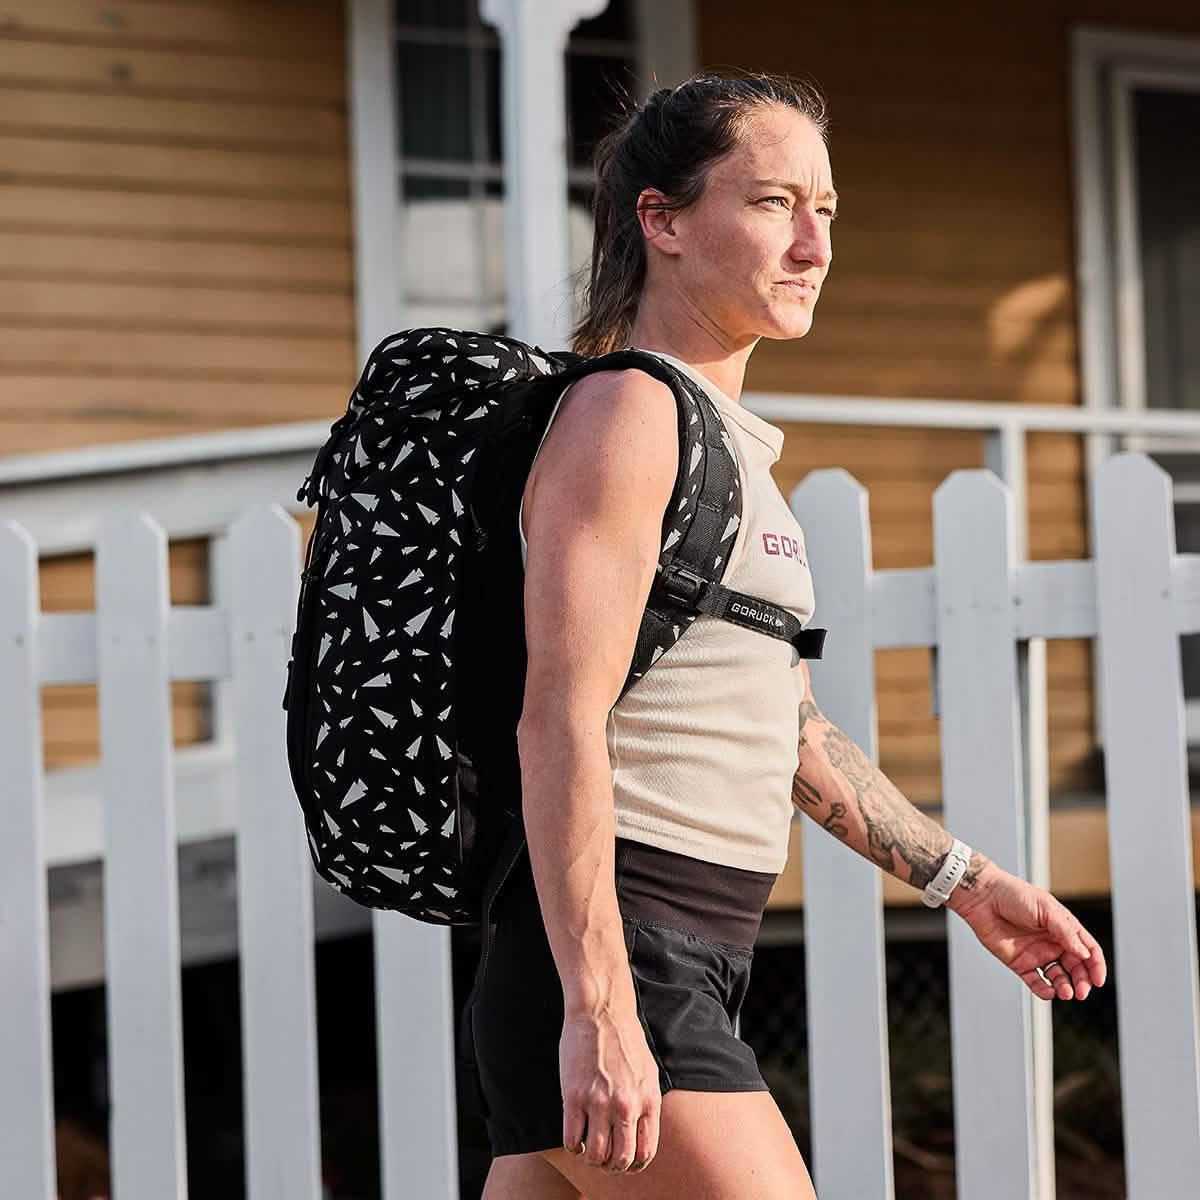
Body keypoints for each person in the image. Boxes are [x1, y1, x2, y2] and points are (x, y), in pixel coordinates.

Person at [461, 70, 1108, 1200]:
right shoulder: (629, 413)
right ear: (659, 220)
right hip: (628, 955)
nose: (812, 243)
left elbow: (788, 732)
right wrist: (603, 1010)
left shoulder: (733, 453)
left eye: (827, 209)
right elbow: (555, 716)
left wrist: (965, 880)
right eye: (771, 204)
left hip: (682, 956)